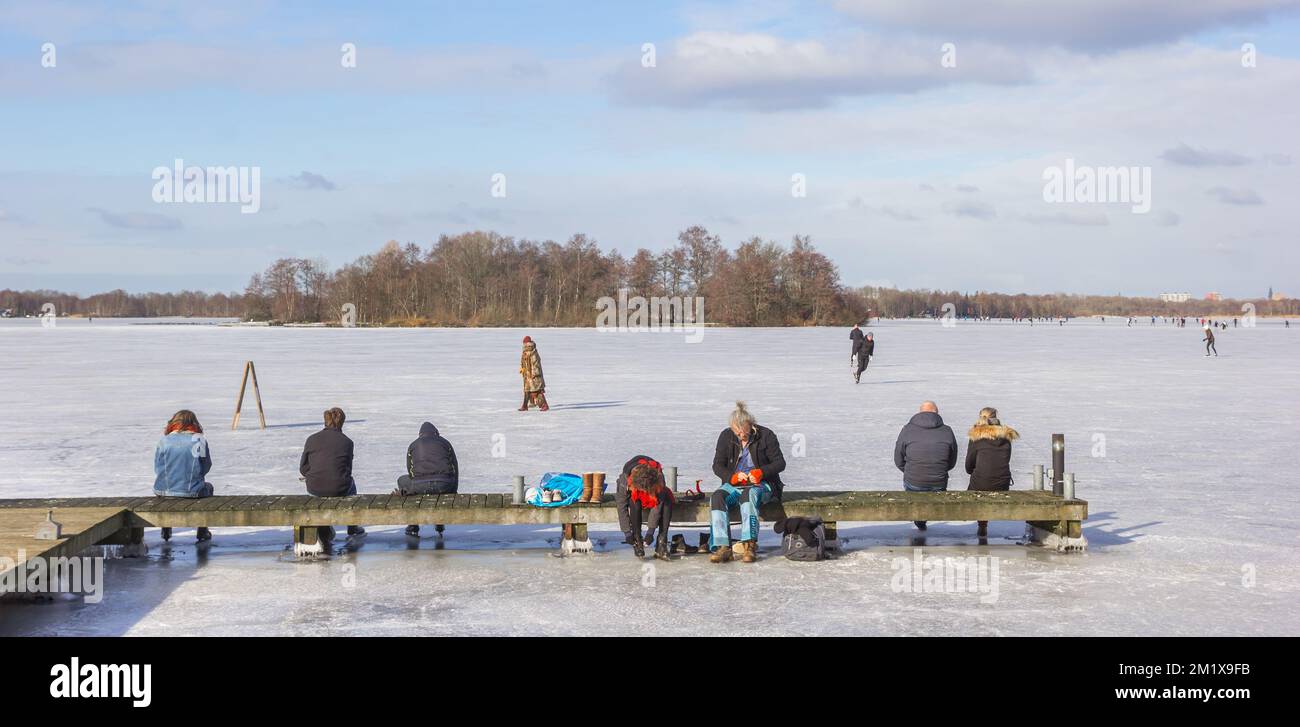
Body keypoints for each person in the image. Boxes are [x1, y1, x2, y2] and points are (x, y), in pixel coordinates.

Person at [708, 401, 786, 564]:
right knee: (717, 497)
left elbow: (780, 463)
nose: (741, 436)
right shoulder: (726, 436)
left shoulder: (766, 435)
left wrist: (761, 472)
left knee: (748, 495)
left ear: (750, 425)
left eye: (744, 433)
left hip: (762, 484)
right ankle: (722, 547)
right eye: (737, 433)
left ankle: (749, 545)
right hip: (734, 484)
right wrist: (732, 477)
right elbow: (717, 465)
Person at [300, 407, 364, 541]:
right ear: (342, 423)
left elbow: (303, 467)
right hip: (339, 487)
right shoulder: (347, 442)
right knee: (351, 485)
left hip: (315, 487)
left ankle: (322, 526)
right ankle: (352, 526)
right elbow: (347, 470)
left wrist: (312, 474)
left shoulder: (311, 439)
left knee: (314, 491)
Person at [893, 401, 958, 530]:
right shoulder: (947, 430)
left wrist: (910, 471)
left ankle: (920, 519)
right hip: (939, 482)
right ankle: (922, 519)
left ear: (919, 412)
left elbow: (898, 459)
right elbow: (952, 460)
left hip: (913, 481)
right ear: (936, 413)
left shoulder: (907, 430)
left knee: (914, 487)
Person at [153, 409, 213, 542]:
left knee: (167, 492)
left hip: (163, 491)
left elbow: (158, 467)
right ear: (194, 423)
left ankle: (166, 528)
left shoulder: (164, 441)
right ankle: (202, 530)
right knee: (209, 487)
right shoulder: (199, 440)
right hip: (193, 491)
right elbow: (206, 466)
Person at [964, 407, 1019, 537]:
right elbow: (1006, 460)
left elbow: (968, 466)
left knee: (979, 482)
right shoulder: (1006, 436)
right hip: (1002, 483)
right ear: (996, 418)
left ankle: (982, 524)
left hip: (980, 482)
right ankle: (983, 524)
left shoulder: (976, 437)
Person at [396, 421, 458, 537]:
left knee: (402, 480)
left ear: (420, 434)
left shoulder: (413, 445)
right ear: (436, 433)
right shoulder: (445, 443)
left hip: (420, 485)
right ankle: (439, 522)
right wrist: (453, 490)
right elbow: (455, 468)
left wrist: (417, 484)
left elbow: (410, 472)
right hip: (444, 484)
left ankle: (413, 524)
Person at [623, 458, 674, 559]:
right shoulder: (624, 479)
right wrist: (627, 532)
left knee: (667, 500)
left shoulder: (659, 478)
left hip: (653, 492)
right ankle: (637, 539)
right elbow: (621, 505)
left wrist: (651, 531)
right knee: (633, 501)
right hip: (636, 492)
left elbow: (658, 505)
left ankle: (662, 541)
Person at [518, 335, 548, 411]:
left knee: (537, 391)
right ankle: (525, 406)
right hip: (527, 376)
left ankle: (544, 405)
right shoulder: (525, 352)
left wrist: (535, 374)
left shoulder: (533, 352)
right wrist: (522, 368)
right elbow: (523, 362)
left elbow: (536, 364)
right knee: (527, 391)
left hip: (533, 376)